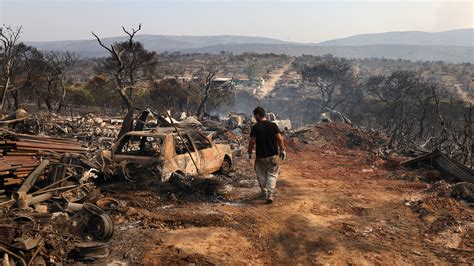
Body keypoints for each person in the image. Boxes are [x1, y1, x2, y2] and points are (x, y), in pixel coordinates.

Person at [247, 106, 286, 204]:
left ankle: (264, 192)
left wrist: (249, 152)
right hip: (273, 155)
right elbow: (280, 139)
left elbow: (252, 142)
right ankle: (270, 194)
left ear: (257, 115)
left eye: (254, 116)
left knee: (261, 175)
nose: (254, 118)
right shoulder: (273, 125)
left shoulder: (255, 127)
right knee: (272, 175)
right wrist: (282, 150)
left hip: (261, 157)